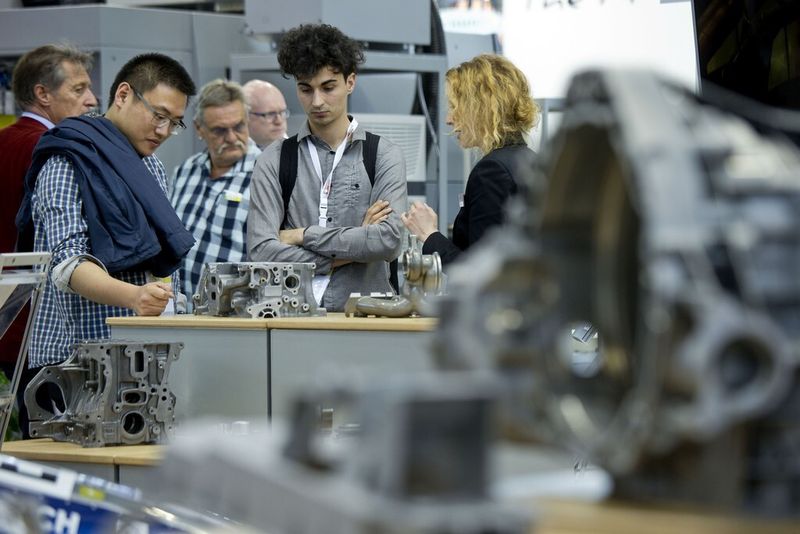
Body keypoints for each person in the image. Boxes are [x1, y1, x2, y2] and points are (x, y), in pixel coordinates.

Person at [16, 53, 197, 380]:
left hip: (136, 354)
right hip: (71, 361)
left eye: (175, 123)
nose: (164, 130)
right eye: (159, 115)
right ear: (123, 95)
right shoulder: (68, 160)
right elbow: (67, 265)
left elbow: (156, 255)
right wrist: (136, 297)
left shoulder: (150, 165)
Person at [247, 23, 407, 312]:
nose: (317, 101)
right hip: (290, 315)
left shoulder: (383, 155)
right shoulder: (274, 159)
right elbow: (260, 251)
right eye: (305, 89)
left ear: (350, 82)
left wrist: (302, 235)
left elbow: (388, 240)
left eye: (328, 87)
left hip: (366, 316)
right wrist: (349, 251)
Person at [0, 45, 97, 432]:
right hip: (43, 328)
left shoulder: (6, 139)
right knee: (53, 438)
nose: (91, 99)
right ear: (43, 94)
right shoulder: (53, 151)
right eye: (79, 89)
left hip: (8, 321)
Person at [401, 54, 539, 265]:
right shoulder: (529, 161)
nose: (448, 119)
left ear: (479, 108)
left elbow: (480, 272)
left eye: (455, 107)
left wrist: (429, 234)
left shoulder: (492, 171)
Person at [171, 79, 260, 300]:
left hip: (235, 315)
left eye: (238, 127)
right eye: (220, 130)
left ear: (247, 121)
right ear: (199, 128)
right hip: (182, 312)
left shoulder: (266, 175)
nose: (231, 138)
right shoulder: (185, 172)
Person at [242, 79, 289, 149]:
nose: (279, 121)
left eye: (282, 112)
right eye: (270, 114)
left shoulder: (300, 154)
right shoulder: (228, 156)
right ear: (245, 116)